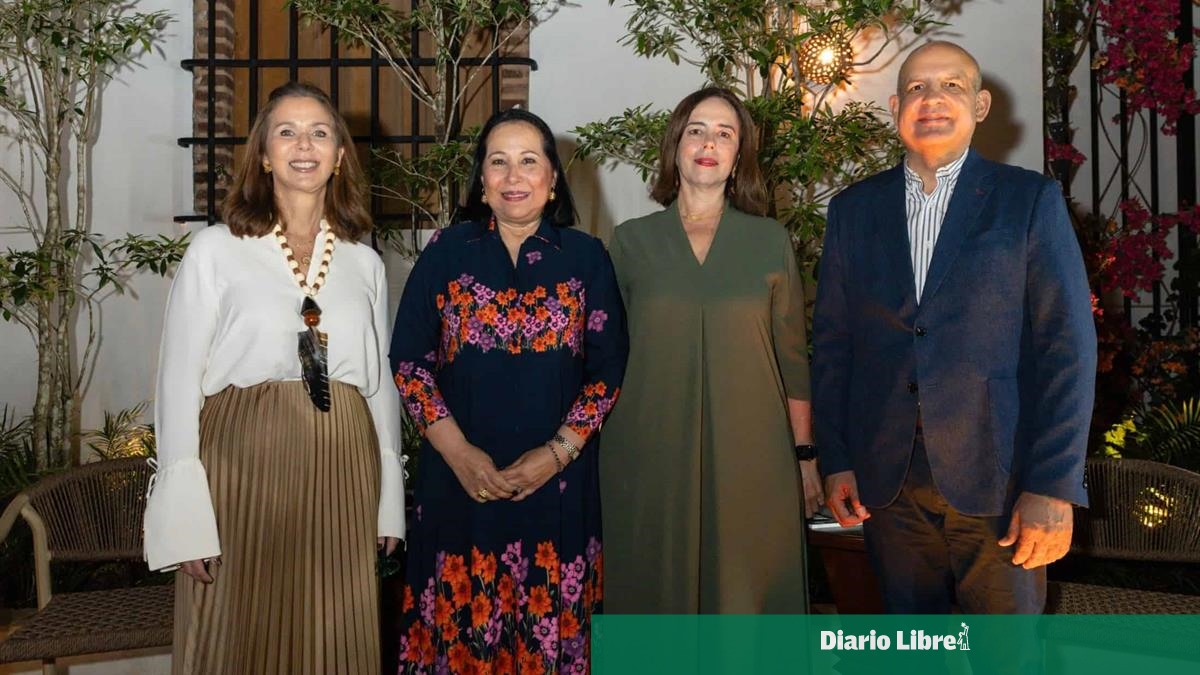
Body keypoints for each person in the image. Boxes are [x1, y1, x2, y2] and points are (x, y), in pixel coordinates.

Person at [812, 41, 1097, 615]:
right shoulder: (852, 210)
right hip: (887, 484)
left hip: (1001, 480)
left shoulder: (1029, 200)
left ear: (981, 106)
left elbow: (1067, 348)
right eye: (917, 88)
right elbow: (834, 346)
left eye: (952, 86)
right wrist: (836, 458)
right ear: (896, 107)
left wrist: (1053, 485)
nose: (932, 99)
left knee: (1005, 654)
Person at [143, 82, 404, 674]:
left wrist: (389, 500)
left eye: (319, 133)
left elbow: (380, 386)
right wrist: (184, 517)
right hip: (241, 468)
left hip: (344, 467)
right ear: (263, 155)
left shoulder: (364, 262)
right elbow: (177, 380)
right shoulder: (215, 250)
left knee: (334, 638)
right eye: (287, 132)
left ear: (340, 155)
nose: (304, 145)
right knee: (233, 634)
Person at [389, 108, 627, 672]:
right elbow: (409, 362)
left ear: (552, 180)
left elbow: (607, 371)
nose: (513, 176)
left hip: (558, 490)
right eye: (498, 162)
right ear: (481, 181)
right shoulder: (447, 252)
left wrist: (556, 454)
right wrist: (460, 455)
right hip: (458, 488)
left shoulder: (586, 257)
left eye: (528, 161)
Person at [599, 87, 821, 614]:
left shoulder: (769, 241)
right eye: (696, 130)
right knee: (654, 593)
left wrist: (805, 457)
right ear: (675, 146)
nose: (708, 143)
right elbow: (606, 356)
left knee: (746, 597)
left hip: (752, 454)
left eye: (725, 133)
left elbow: (793, 360)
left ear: (740, 155)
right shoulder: (630, 242)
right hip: (647, 450)